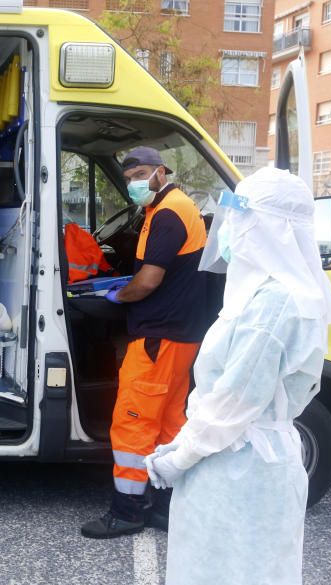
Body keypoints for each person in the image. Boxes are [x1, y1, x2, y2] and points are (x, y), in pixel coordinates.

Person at [145, 167, 331, 585]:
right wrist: (187, 446)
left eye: (239, 220)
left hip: (246, 471)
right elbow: (220, 399)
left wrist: (178, 456)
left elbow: (235, 401)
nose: (226, 232)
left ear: (269, 229)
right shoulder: (257, 296)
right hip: (225, 468)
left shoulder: (277, 305)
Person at [81, 146, 209, 538]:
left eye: (139, 174)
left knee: (133, 425)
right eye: (128, 176)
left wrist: (118, 296)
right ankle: (166, 507)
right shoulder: (171, 206)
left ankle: (127, 511)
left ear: (159, 172)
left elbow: (148, 282)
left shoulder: (169, 213)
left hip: (158, 337)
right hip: (179, 336)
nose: (133, 182)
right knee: (170, 423)